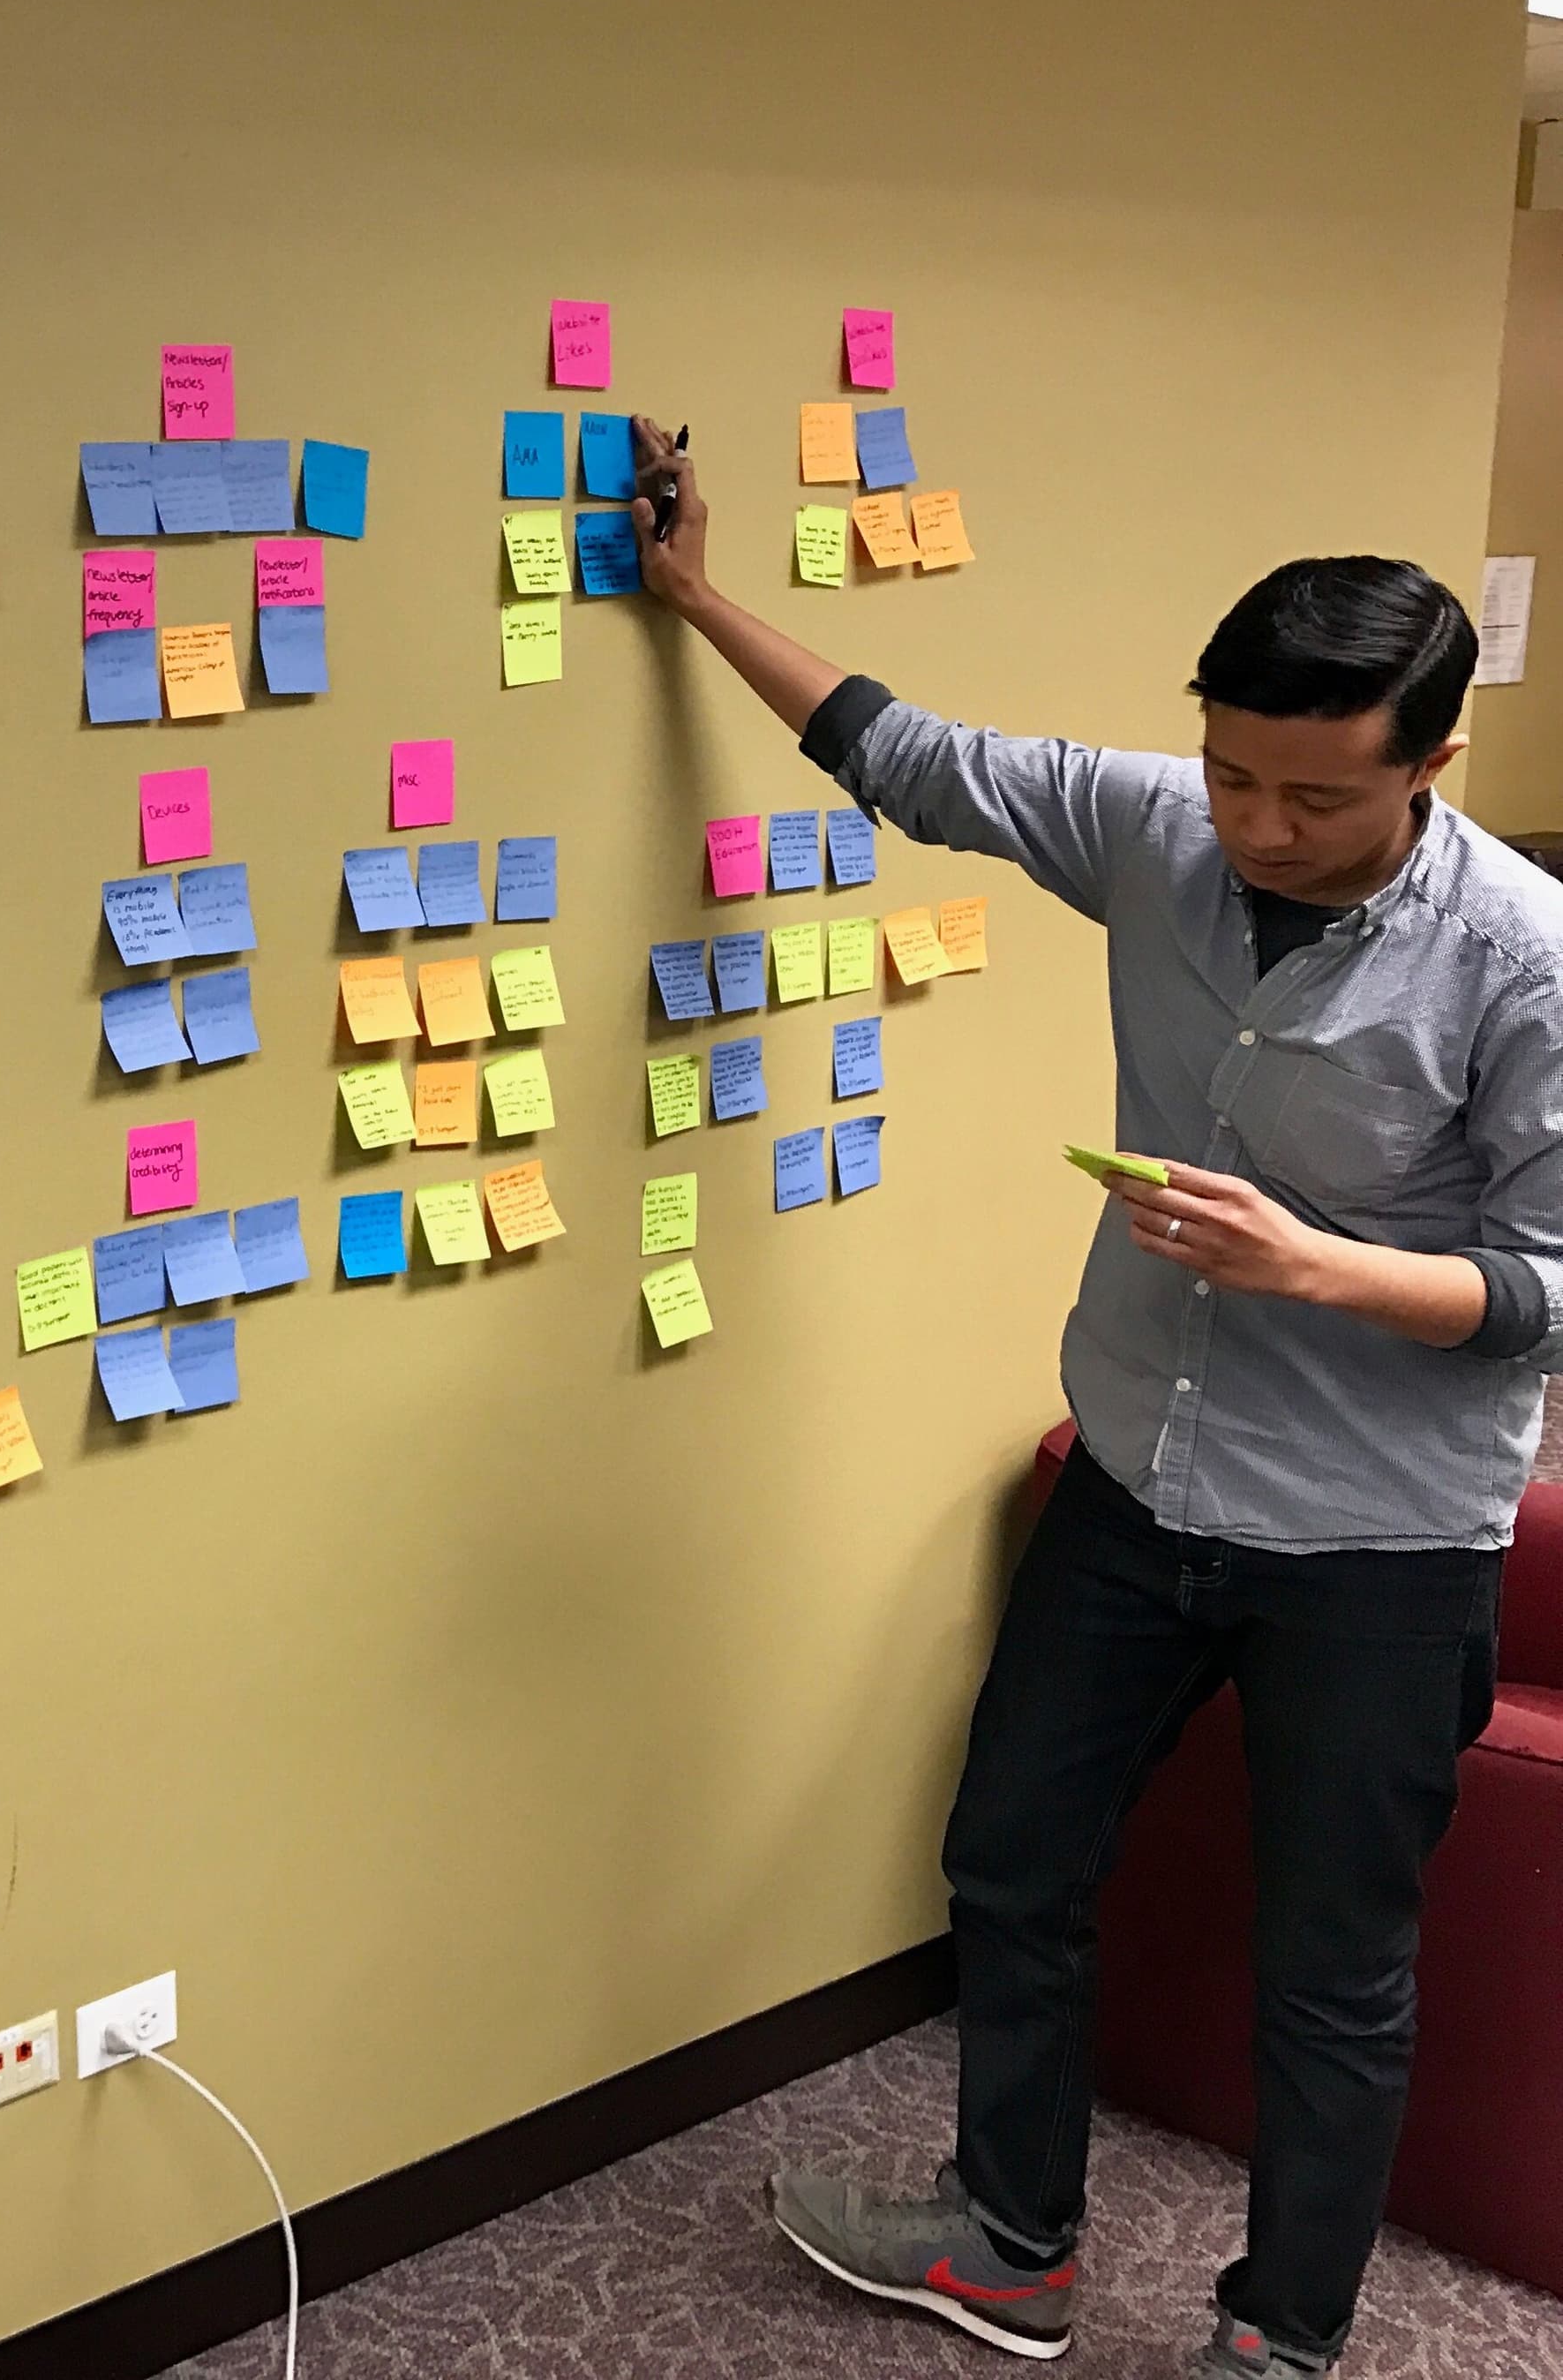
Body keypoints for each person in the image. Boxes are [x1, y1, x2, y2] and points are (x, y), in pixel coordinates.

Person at [627, 418, 1563, 2376]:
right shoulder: (1160, 824)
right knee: (1010, 1862)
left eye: (1315, 795)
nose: (1257, 825)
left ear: (1430, 768)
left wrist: (1320, 1265)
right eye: (1231, 770)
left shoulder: (1527, 962)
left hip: (1376, 1542)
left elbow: (1548, 1293)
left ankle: (1283, 2338)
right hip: (1143, 1480)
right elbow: (908, 752)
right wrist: (698, 589)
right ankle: (1009, 2243)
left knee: (1331, 1975)